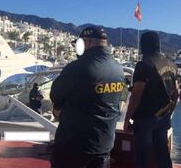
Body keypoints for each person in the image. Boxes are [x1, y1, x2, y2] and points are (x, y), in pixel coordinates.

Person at [50, 26, 125, 168]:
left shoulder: (78, 67)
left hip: (74, 147)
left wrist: (58, 110)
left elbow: (55, 95)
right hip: (104, 145)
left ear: (88, 43)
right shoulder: (118, 69)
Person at [124, 31, 179, 168]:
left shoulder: (144, 65)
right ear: (158, 45)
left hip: (145, 119)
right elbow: (176, 92)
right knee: (162, 153)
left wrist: (126, 119)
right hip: (163, 117)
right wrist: (169, 111)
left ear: (143, 46)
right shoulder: (172, 65)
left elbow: (136, 95)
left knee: (143, 156)